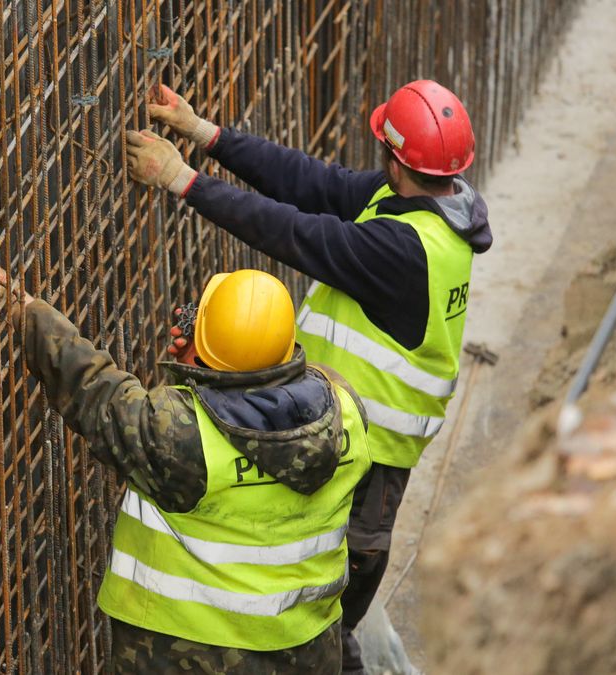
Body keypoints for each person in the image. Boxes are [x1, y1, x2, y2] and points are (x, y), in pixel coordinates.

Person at [124, 79, 492, 674]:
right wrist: (206, 135)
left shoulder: (402, 250)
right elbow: (310, 182)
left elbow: (292, 232)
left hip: (367, 463)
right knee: (317, 609)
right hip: (343, 437)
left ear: (396, 156)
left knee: (322, 615)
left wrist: (182, 180)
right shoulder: (425, 203)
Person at [0, 251, 372, 674]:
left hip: (191, 657)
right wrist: (203, 373)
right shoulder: (344, 408)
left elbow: (94, 390)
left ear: (206, 349)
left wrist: (23, 307)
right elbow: (264, 409)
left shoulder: (180, 439)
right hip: (307, 651)